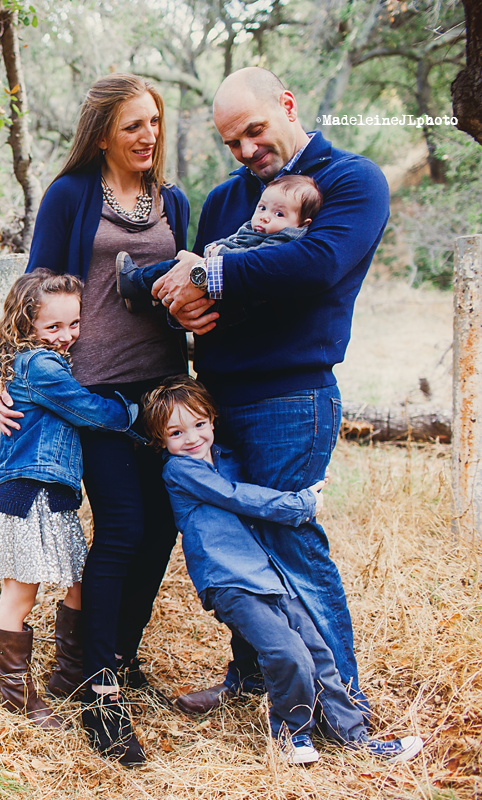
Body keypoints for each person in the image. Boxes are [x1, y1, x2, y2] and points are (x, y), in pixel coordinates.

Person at [149, 67, 390, 716]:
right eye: (232, 142)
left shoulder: (350, 181)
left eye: (255, 131)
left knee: (293, 547)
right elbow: (196, 283)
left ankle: (344, 710)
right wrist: (185, 308)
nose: (247, 151)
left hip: (291, 399)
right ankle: (256, 680)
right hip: (219, 396)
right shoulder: (228, 199)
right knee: (241, 544)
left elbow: (315, 267)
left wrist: (212, 273)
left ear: (287, 104)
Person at [0, 73, 189, 765]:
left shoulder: (174, 201)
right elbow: (33, 286)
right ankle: (101, 696)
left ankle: (109, 661)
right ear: (102, 131)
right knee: (125, 526)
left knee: (161, 527)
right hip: (97, 394)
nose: (148, 135)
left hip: (158, 392)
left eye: (155, 122)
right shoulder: (72, 195)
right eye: (134, 124)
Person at [141, 377, 424, 765]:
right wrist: (299, 504)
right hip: (230, 581)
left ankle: (354, 737)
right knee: (288, 653)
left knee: (320, 654)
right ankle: (292, 736)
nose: (191, 438)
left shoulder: (229, 459)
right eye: (176, 432)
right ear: (161, 440)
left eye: (199, 424)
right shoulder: (180, 471)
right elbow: (237, 496)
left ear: (212, 420)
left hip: (270, 575)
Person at [0, 269, 140, 733]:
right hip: (28, 491)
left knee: (77, 582)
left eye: (74, 325)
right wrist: (135, 409)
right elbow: (89, 411)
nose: (67, 336)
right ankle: (17, 695)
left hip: (53, 493)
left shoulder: (41, 359)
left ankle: (69, 674)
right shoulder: (40, 366)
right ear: (25, 323)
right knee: (21, 592)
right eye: (53, 327)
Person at [116, 175, 322, 315]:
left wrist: (218, 255)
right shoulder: (253, 224)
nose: (265, 217)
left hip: (235, 297)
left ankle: (135, 282)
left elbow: (259, 258)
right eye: (262, 207)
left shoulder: (285, 239)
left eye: (279, 213)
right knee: (183, 272)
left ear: (302, 224)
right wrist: (215, 248)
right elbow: (235, 241)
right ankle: (149, 298)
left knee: (176, 268)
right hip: (221, 287)